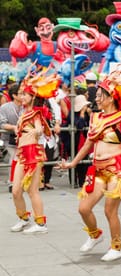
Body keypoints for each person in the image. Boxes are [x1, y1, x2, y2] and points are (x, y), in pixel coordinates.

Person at [57, 65, 121, 262]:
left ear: (111, 97)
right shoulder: (96, 117)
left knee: (110, 210)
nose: (96, 98)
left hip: (117, 168)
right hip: (98, 169)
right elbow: (88, 143)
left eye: (100, 95)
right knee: (84, 208)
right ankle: (95, 235)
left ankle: (116, 246)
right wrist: (73, 163)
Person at [10, 68, 60, 234]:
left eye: (25, 94)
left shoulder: (36, 113)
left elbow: (39, 128)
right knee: (16, 190)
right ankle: (23, 218)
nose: (22, 96)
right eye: (21, 94)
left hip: (33, 153)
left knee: (32, 191)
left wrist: (35, 132)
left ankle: (40, 223)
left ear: (33, 97)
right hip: (21, 154)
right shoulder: (24, 112)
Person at [0, 83, 24, 193]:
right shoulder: (5, 108)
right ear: (14, 95)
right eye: (21, 93)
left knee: (22, 159)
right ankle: (12, 182)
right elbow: (2, 123)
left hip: (24, 138)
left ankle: (21, 181)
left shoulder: (26, 106)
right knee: (14, 157)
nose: (23, 95)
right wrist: (14, 127)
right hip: (9, 138)